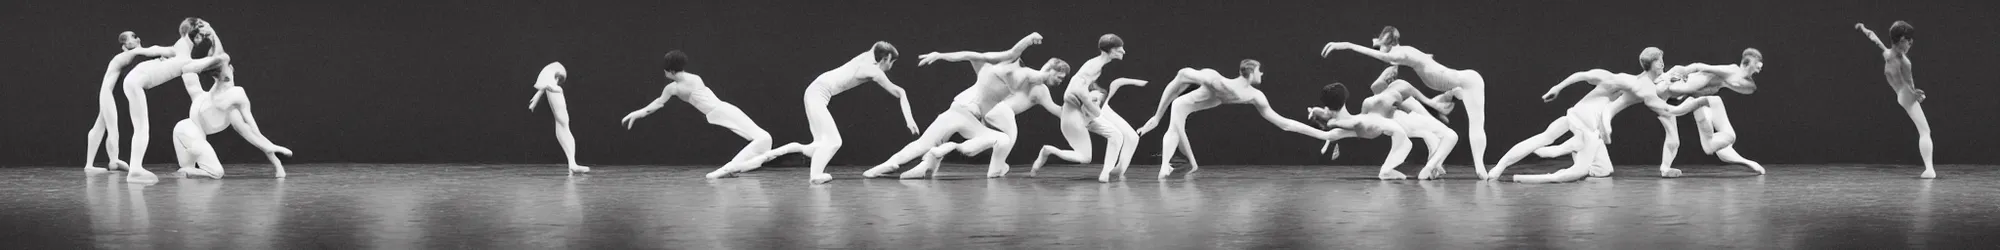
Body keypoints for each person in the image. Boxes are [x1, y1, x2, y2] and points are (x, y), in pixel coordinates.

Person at [863, 33, 1072, 179]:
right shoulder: (1011, 69)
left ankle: (904, 166)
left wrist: (940, 55)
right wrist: (1028, 41)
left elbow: (968, 55)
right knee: (997, 139)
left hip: (966, 115)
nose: (1060, 82)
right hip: (963, 112)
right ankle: (935, 154)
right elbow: (1015, 57)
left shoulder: (995, 69)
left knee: (998, 139)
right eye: (1060, 77)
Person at [1535, 48, 1767, 177]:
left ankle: (1665, 168)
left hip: (1675, 94)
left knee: (1674, 137)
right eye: (1758, 65)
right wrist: (1677, 74)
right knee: (1630, 98)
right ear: (1748, 63)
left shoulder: (1736, 79)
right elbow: (1697, 66)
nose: (1760, 68)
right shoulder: (1729, 71)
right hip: (1669, 90)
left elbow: (1746, 88)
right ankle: (1603, 118)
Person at [1486, 61, 1716, 183]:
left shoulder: (1630, 82)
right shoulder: (1634, 85)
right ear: (1652, 68)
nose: (1664, 70)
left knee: (1604, 170)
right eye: (1661, 65)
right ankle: (1529, 176)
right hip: (1587, 124)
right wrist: (1698, 102)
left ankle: (1555, 151)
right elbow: (1668, 107)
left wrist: (1558, 88)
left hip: (1578, 117)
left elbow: (1582, 75)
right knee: (1579, 171)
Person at [1134, 59, 1349, 178]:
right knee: (1175, 121)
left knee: (1177, 125)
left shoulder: (1255, 96)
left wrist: (1323, 134)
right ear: (1250, 72)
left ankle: (1169, 165)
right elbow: (1181, 75)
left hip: (1200, 104)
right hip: (1184, 102)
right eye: (1260, 72)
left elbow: (1284, 123)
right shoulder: (1216, 80)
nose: (1262, 75)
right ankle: (1165, 166)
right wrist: (1157, 115)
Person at [1322, 26, 1495, 173]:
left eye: (1380, 44)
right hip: (1457, 81)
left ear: (1386, 42)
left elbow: (1381, 56)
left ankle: (1480, 168)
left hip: (1469, 81)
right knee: (1457, 114)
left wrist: (1346, 45)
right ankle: (1452, 96)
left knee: (1476, 124)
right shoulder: (1402, 52)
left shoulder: (1397, 54)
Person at [740, 42, 917, 184]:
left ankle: (759, 159)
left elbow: (876, 46)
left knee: (817, 147)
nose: (891, 66)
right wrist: (909, 119)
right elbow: (900, 92)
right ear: (885, 58)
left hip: (815, 91)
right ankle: (815, 175)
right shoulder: (872, 70)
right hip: (817, 94)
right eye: (892, 61)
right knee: (834, 142)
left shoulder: (866, 57)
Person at [618, 50, 778, 179]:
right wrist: (638, 113)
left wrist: (639, 113)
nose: (664, 73)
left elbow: (658, 104)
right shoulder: (693, 78)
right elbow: (658, 103)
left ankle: (733, 168)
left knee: (764, 140)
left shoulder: (673, 88)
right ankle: (727, 169)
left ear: (671, 71)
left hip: (722, 111)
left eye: (666, 70)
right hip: (723, 110)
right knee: (764, 138)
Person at [117, 18, 233, 183]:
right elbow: (220, 57)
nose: (202, 38)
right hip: (136, 80)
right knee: (142, 127)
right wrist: (211, 31)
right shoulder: (185, 56)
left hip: (135, 79)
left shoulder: (182, 53)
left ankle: (135, 169)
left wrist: (139, 50)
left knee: (141, 127)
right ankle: (135, 171)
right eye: (200, 33)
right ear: (191, 32)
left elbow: (158, 49)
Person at [168, 45, 294, 179]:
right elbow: (251, 129)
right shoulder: (216, 97)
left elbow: (251, 129)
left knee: (190, 165)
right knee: (216, 173)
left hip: (184, 132)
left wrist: (274, 158)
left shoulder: (220, 99)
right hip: (189, 134)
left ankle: (187, 170)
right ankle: (187, 171)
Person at [1306, 75, 1463, 179]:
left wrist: (1330, 131)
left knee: (1428, 133)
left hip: (1395, 122)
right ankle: (1431, 166)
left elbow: (1358, 124)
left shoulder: (1370, 102)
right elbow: (1426, 106)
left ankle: (1430, 166)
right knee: (1447, 135)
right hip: (1399, 120)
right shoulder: (1394, 93)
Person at [1858, 21, 1934, 178]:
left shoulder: (1888, 54)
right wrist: (1915, 95)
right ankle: (1929, 169)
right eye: (1909, 41)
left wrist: (1864, 29)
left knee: (1924, 131)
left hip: (1901, 94)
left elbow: (1875, 39)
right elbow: (1904, 81)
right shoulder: (1903, 61)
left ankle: (1929, 168)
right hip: (1905, 95)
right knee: (1925, 131)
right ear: (1902, 41)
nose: (1910, 44)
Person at [85, 31, 167, 173]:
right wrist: (168, 53)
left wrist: (161, 59)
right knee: (111, 127)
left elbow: (146, 56)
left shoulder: (131, 55)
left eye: (132, 39)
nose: (131, 42)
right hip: (107, 93)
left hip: (108, 92)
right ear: (124, 46)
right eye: (127, 41)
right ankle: (112, 160)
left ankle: (95, 164)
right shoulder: (125, 55)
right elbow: (147, 51)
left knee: (100, 125)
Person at [527, 62, 590, 174]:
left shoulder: (558, 88)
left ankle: (573, 162)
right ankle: (571, 163)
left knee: (567, 134)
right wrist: (536, 98)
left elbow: (549, 87)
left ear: (556, 78)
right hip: (559, 117)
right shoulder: (549, 86)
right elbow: (545, 88)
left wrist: (536, 96)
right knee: (560, 135)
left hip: (562, 117)